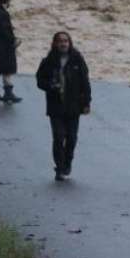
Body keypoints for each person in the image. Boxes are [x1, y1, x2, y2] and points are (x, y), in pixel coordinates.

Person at [36, 31, 92, 181]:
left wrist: (87, 102)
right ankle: (59, 168)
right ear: (54, 43)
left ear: (70, 43)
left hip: (74, 107)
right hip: (55, 107)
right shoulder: (49, 60)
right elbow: (40, 81)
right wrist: (51, 86)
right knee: (58, 136)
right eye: (60, 41)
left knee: (72, 138)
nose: (63, 43)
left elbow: (85, 82)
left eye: (66, 41)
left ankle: (67, 163)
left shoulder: (77, 59)